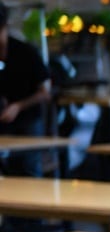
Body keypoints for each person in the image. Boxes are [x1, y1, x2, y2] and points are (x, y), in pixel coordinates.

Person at [0, 5, 51, 177]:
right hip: (3, 120)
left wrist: (18, 106)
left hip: (27, 120)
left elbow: (45, 92)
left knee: (28, 167)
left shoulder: (25, 52)